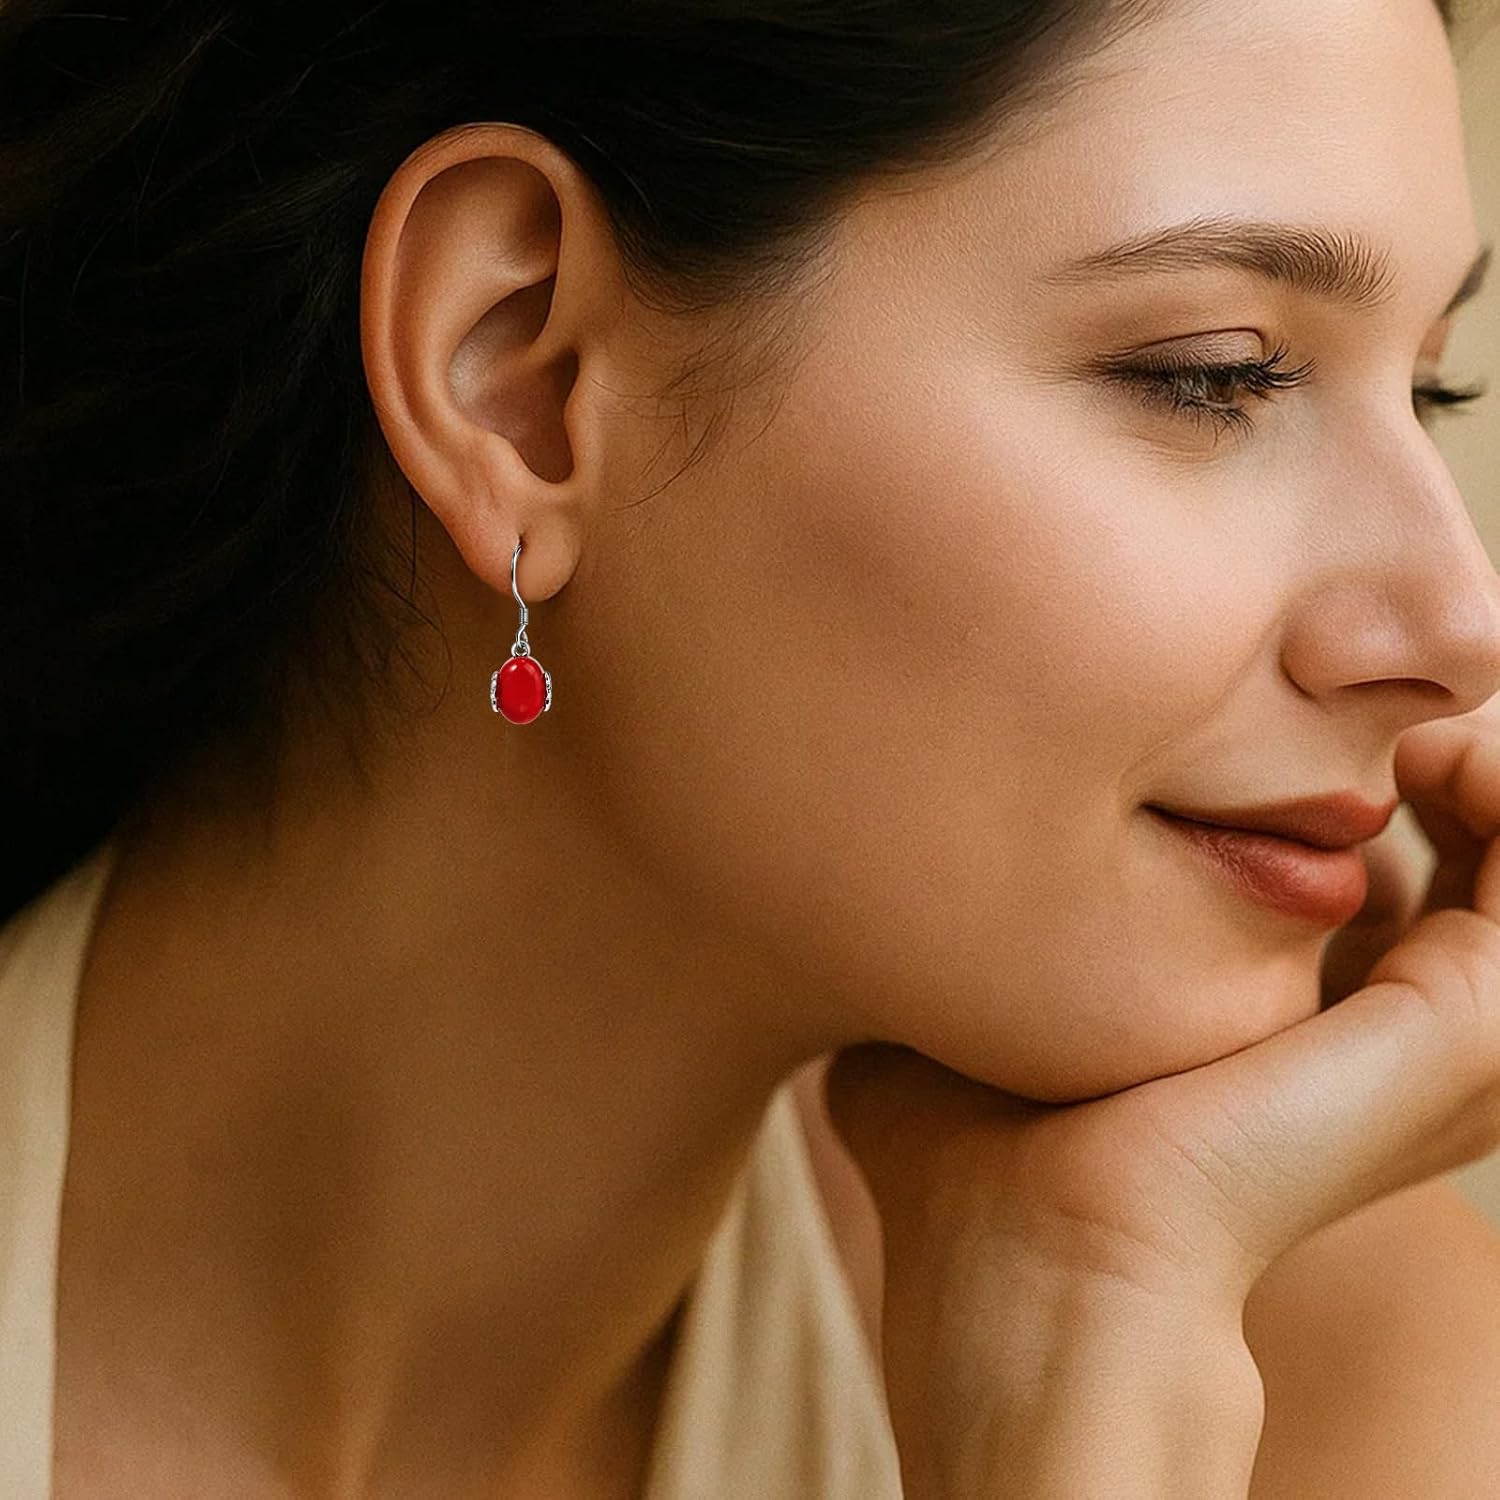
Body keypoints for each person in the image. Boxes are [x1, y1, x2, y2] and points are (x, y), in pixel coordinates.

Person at [4, 0, 1500, 1493]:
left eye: (1430, 389)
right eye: (1213, 373)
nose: (1460, 626)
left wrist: (1090, 1330)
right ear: (520, 377)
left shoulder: (1320, 1387)